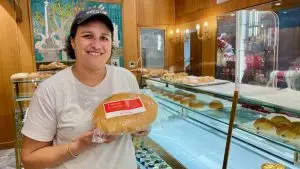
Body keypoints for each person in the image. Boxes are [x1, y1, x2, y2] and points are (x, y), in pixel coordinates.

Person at [21, 8, 148, 169]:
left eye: (104, 37)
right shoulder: (50, 90)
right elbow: (30, 159)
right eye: (88, 36)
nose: (96, 45)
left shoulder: (126, 79)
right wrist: (79, 145)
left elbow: (136, 124)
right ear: (73, 41)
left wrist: (140, 127)